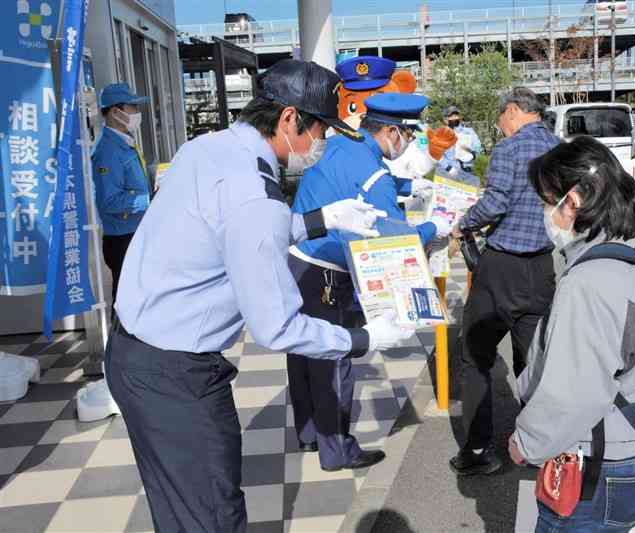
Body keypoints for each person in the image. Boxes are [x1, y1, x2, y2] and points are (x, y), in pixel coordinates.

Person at [106, 59, 415, 533]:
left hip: (135, 353)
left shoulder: (207, 147)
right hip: (177, 373)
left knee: (180, 506)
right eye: (319, 130)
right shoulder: (257, 195)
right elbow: (278, 326)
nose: (321, 143)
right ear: (290, 119)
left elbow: (229, 227)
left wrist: (321, 219)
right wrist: (363, 338)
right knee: (213, 513)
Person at [509, 135, 635, 532]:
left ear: (575, 200)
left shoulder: (588, 281)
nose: (545, 212)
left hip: (601, 466)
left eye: (548, 201)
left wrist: (526, 444)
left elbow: (575, 393)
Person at [287, 92, 453, 472]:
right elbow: (396, 238)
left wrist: (407, 188)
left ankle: (310, 435)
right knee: (334, 360)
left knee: (301, 353)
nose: (410, 142)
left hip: (297, 261)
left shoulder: (344, 143)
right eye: (409, 134)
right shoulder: (375, 174)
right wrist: (434, 226)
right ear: (392, 131)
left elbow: (354, 180)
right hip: (328, 271)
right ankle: (337, 451)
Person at [449, 87, 560, 476]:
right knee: (533, 359)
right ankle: (537, 447)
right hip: (543, 268)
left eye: (501, 120)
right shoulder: (560, 148)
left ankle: (479, 451)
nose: (500, 128)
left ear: (513, 111)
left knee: (476, 356)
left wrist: (463, 222)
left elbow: (496, 202)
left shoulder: (510, 150)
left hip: (501, 269)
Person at [91, 83, 151, 305]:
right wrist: (149, 200)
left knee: (136, 301)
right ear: (116, 112)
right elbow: (110, 201)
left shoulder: (124, 143)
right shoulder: (108, 151)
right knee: (126, 304)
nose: (137, 113)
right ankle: (118, 340)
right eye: (133, 107)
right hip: (122, 239)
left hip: (133, 233)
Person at [440, 105, 482, 173]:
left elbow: (478, 148)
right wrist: (447, 167)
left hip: (468, 170)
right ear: (446, 119)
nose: (454, 118)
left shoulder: (469, 132)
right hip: (448, 172)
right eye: (451, 116)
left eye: (456, 115)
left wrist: (473, 154)